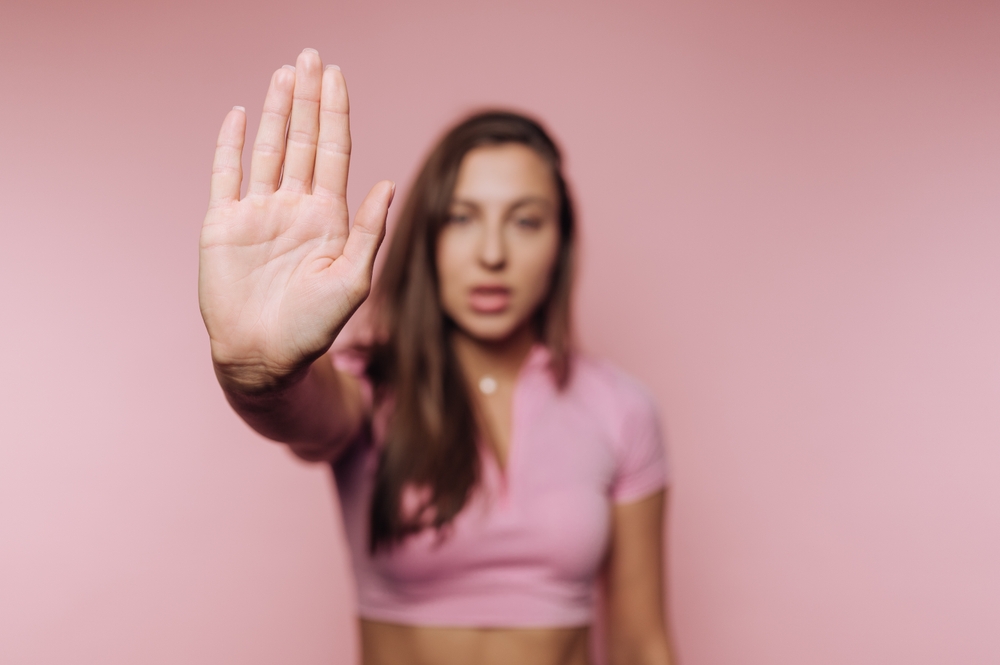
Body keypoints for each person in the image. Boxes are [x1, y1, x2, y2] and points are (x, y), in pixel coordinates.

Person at [199, 48, 675, 665]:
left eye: (525, 221)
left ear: (560, 242)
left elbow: (643, 644)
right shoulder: (365, 388)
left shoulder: (622, 410)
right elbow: (299, 409)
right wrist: (256, 371)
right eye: (462, 218)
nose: (493, 253)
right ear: (427, 236)